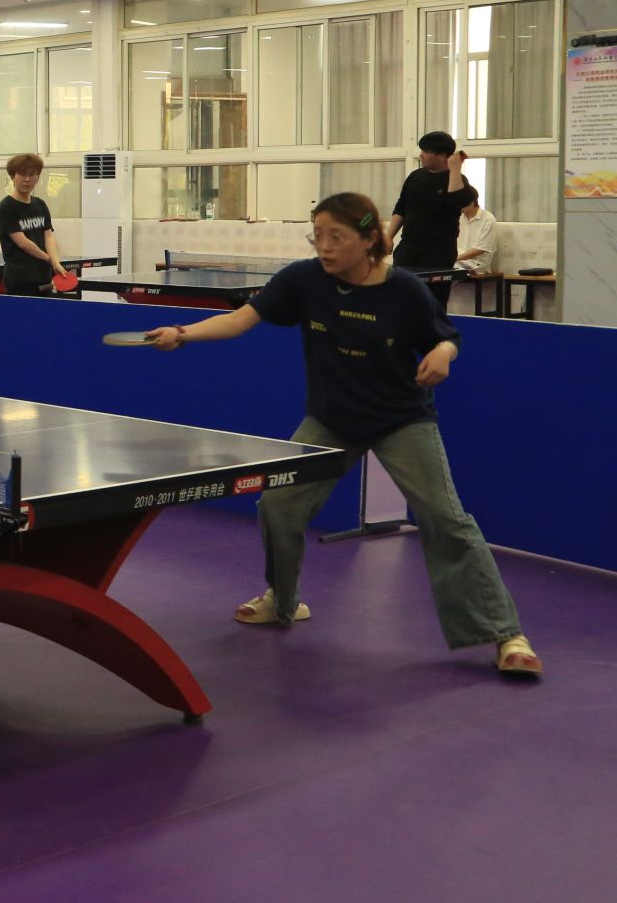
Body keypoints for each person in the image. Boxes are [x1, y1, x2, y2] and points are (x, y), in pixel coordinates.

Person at [145, 192, 539, 679]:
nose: (325, 247)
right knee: (278, 506)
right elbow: (240, 319)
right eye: (318, 236)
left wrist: (442, 354)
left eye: (337, 237)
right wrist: (182, 333)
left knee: (446, 518)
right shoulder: (303, 279)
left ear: (369, 239)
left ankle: (506, 634)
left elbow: (445, 337)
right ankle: (283, 600)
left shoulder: (404, 290)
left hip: (401, 419)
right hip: (332, 420)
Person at [385, 131, 474, 276]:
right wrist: (388, 236)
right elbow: (401, 208)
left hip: (438, 253)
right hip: (408, 248)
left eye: (426, 151)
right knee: (402, 288)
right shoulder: (415, 176)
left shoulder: (457, 179)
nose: (421, 155)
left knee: (433, 290)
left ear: (443, 155)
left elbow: (460, 202)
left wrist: (455, 169)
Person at [0, 153, 68, 297]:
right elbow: (23, 243)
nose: (27, 180)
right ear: (13, 177)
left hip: (43, 276)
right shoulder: (6, 207)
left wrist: (55, 262)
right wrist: (49, 259)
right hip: (19, 279)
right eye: (22, 174)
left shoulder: (40, 204)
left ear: (37, 178)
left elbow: (49, 236)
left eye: (32, 175)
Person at [455, 189, 497, 273]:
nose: (457, 205)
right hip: (458, 260)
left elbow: (481, 249)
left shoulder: (488, 219)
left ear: (471, 202)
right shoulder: (458, 217)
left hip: (477, 263)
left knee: (448, 268)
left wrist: (455, 258)